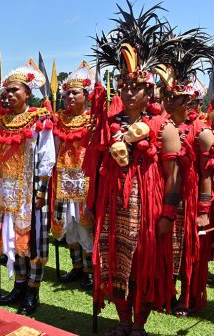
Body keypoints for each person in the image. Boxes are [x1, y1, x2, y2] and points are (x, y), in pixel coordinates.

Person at [90, 4, 182, 334]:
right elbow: (98, 163)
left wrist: (168, 213)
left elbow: (175, 174)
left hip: (147, 207)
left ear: (148, 91)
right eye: (124, 86)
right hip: (113, 205)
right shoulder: (110, 123)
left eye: (136, 87)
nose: (129, 92)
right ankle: (124, 321)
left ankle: (140, 325)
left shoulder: (163, 126)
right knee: (113, 259)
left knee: (142, 262)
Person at [0, 60, 55, 315]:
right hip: (6, 191)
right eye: (7, 91)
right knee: (12, 240)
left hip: (30, 192)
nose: (10, 94)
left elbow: (47, 154)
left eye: (16, 90)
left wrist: (41, 189)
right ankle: (18, 285)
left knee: (33, 242)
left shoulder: (39, 118)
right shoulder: (1, 121)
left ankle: (32, 292)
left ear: (28, 93)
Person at [155, 32, 214, 317]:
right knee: (168, 248)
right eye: (167, 95)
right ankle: (167, 292)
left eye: (174, 97)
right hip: (166, 198)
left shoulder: (202, 134)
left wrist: (203, 210)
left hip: (190, 203)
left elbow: (207, 175)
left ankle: (187, 298)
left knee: (189, 252)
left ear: (188, 102)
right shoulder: (161, 126)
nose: (168, 100)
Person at [49, 61, 95, 290]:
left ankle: (89, 270)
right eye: (66, 94)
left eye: (75, 93)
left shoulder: (93, 120)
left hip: (84, 179)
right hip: (63, 179)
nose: (69, 98)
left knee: (85, 225)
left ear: (86, 95)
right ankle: (76, 267)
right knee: (69, 226)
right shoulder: (60, 119)